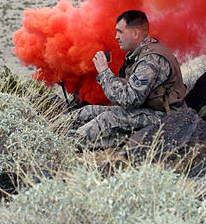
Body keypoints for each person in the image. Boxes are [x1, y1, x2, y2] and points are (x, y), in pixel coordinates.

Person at [71, 10, 186, 148]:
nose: (116, 37)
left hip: (167, 117)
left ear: (135, 33)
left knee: (107, 119)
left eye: (120, 32)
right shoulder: (138, 54)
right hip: (147, 110)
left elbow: (128, 100)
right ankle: (55, 129)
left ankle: (65, 146)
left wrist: (104, 71)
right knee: (86, 112)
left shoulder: (151, 60)